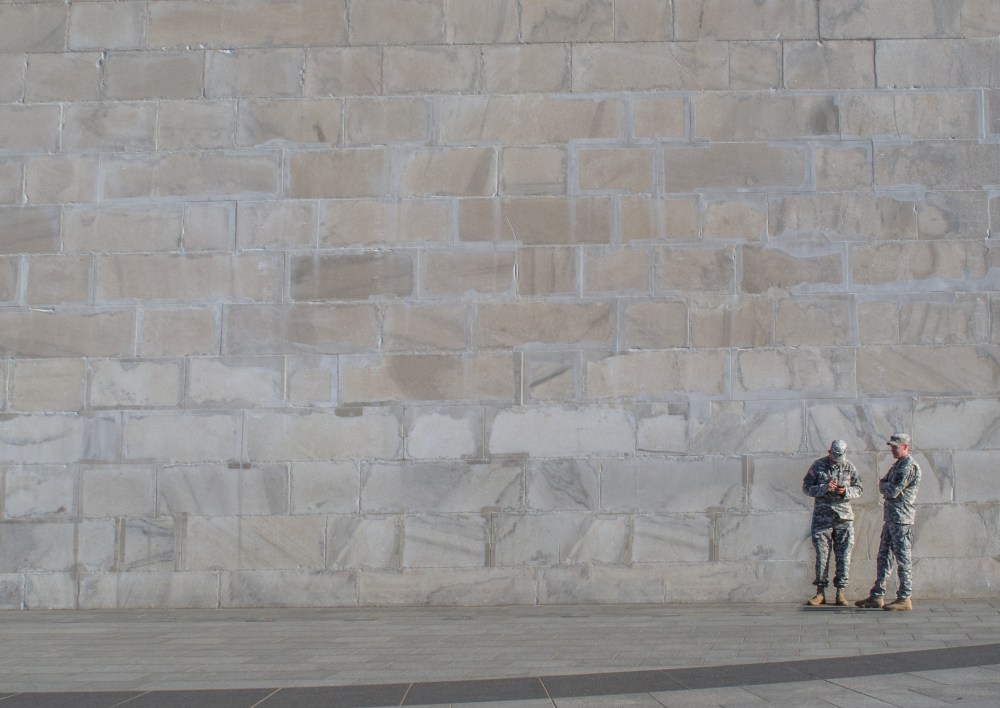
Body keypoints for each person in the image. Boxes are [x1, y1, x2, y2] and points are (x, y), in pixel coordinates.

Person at [855, 433, 921, 611]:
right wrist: (885, 485)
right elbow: (883, 483)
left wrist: (885, 485)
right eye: (892, 446)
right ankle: (877, 595)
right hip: (891, 518)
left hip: (901, 520)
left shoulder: (908, 466)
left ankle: (904, 597)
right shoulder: (897, 465)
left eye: (895, 446)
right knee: (884, 556)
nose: (892, 449)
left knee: (902, 558)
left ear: (905, 446)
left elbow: (891, 490)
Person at [802, 440, 862, 606]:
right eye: (834, 456)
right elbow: (806, 487)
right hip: (823, 519)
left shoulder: (849, 467)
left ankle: (840, 593)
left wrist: (845, 491)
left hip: (844, 519)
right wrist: (824, 488)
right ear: (829, 451)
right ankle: (820, 593)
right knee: (822, 556)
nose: (837, 460)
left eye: (840, 457)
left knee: (844, 556)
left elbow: (859, 488)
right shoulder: (818, 466)